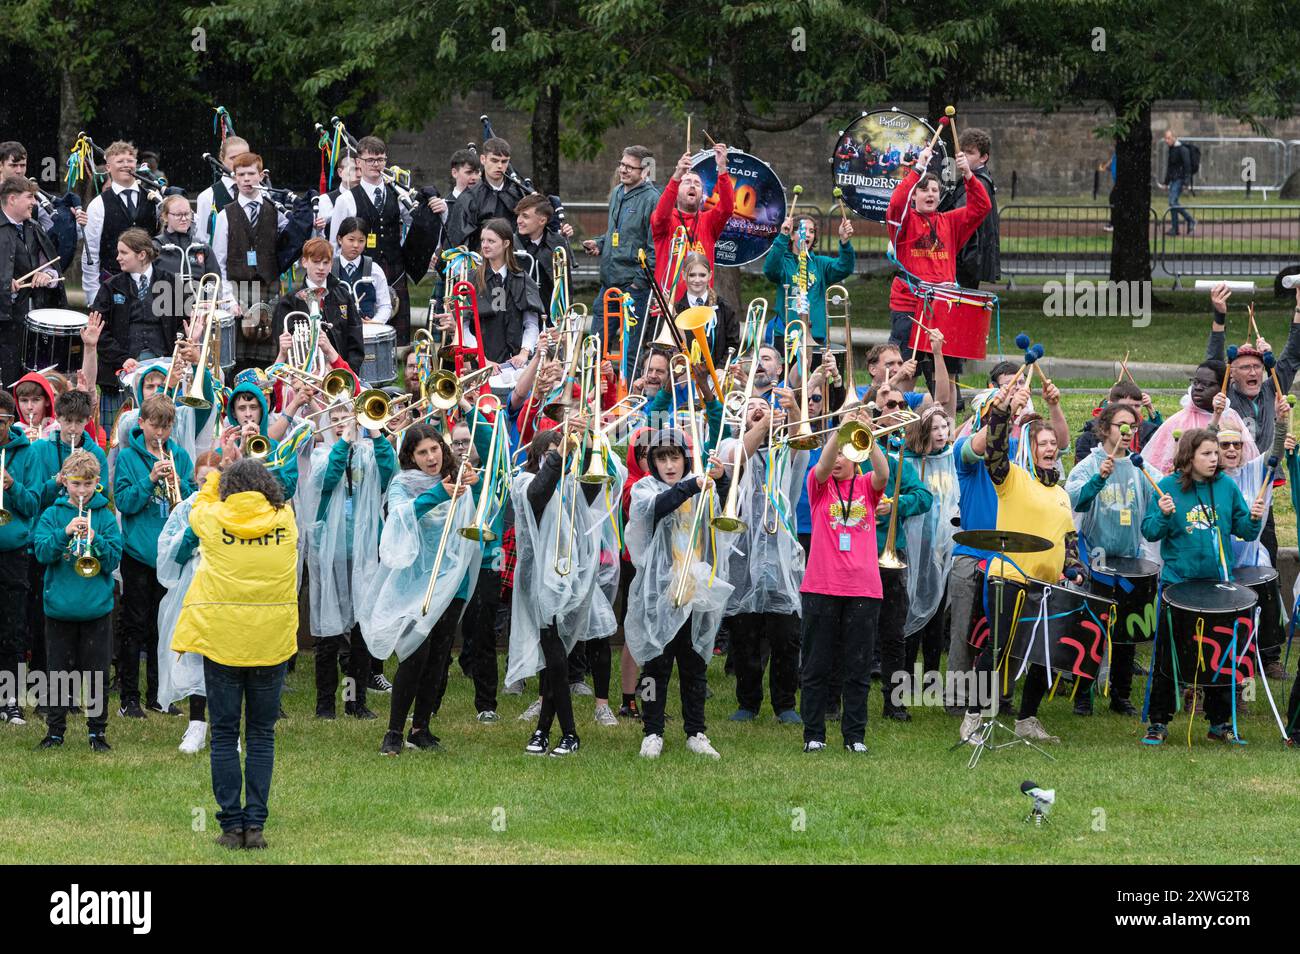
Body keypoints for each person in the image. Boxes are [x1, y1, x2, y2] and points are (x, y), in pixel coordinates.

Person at [171, 458, 299, 849]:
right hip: (271, 643)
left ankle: (231, 826)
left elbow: (196, 509)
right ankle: (255, 826)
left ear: (228, 490)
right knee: (261, 734)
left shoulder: (213, 517)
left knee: (224, 734)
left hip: (223, 642)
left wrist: (213, 478)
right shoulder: (285, 519)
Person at [961, 377, 1081, 746]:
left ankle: (1028, 719)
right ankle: (973, 717)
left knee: (1045, 653)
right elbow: (993, 448)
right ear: (1030, 450)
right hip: (1008, 578)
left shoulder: (1062, 494)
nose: (1048, 448)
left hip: (1048, 586)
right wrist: (1003, 409)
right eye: (1041, 444)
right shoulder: (1012, 478)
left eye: (1052, 444)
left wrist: (1074, 569)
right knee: (998, 648)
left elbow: (1068, 538)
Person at [1141, 429, 1263, 746]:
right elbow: (1150, 530)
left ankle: (1220, 722)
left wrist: (1253, 519)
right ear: (1189, 457)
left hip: (1218, 588)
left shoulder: (1226, 487)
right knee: (1171, 658)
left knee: (1220, 657)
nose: (1214, 458)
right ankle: (1158, 721)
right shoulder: (1167, 487)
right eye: (1207, 453)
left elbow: (1245, 531)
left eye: (1215, 453)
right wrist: (1165, 515)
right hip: (1178, 586)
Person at [364, 423, 480, 755]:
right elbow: (400, 516)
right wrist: (438, 493)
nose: (431, 457)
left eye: (435, 449)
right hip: (415, 582)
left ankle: (421, 728)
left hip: (451, 579)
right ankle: (393, 731)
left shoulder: (457, 476)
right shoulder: (403, 483)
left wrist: (469, 480)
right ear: (411, 457)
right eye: (422, 452)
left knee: (439, 657)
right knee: (415, 654)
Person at [508, 424, 620, 756]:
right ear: (538, 456)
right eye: (553, 451)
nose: (561, 456)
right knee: (555, 657)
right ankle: (566, 733)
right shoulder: (524, 481)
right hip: (539, 584)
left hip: (570, 580)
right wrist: (559, 454)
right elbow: (537, 495)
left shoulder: (568, 485)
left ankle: (545, 730)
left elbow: (592, 492)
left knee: (557, 657)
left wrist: (588, 443)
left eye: (563, 451)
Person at [624, 427, 733, 759]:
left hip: (695, 589)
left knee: (694, 663)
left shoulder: (702, 489)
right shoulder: (646, 489)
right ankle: (652, 731)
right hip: (659, 591)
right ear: (653, 463)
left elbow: (723, 509)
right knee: (655, 665)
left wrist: (721, 478)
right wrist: (691, 484)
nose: (669, 465)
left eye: (675, 457)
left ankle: (696, 732)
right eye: (661, 458)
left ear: (685, 459)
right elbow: (656, 507)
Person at [799, 402, 891, 753]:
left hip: (864, 589)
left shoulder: (867, 485)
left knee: (858, 667)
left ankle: (855, 736)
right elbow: (821, 467)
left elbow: (882, 474)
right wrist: (841, 431)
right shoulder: (819, 486)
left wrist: (869, 435)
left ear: (856, 456)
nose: (837, 460)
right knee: (817, 665)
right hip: (821, 586)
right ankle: (814, 734)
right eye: (835, 452)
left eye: (845, 454)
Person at [1064, 401, 1162, 717]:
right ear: (1105, 428)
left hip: (1131, 564)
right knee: (1091, 631)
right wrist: (1098, 480)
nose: (1128, 431)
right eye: (1122, 424)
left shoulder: (1139, 465)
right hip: (1097, 564)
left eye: (1133, 426)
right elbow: (1073, 500)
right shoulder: (1089, 465)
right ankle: (1083, 695)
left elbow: (1163, 490)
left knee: (1126, 635)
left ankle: (1121, 696)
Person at [720, 390, 807, 725]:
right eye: (751, 408)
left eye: (764, 407)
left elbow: (802, 439)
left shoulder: (787, 451)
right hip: (743, 556)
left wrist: (794, 410)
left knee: (786, 636)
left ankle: (785, 703)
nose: (758, 411)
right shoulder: (728, 445)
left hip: (782, 556)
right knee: (745, 636)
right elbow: (740, 455)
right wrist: (765, 422)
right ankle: (748, 702)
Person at [309, 403, 396, 719]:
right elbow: (329, 479)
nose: (339, 423)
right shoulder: (322, 455)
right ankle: (324, 705)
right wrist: (344, 440)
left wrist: (375, 431)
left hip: (363, 554)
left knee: (359, 633)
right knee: (328, 633)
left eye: (346, 417)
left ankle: (354, 701)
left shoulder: (370, 454)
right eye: (333, 418)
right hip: (329, 553)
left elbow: (390, 473)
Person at [113, 393, 197, 717]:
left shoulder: (180, 456)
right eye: (154, 426)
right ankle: (130, 698)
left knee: (165, 626)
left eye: (166, 426)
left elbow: (191, 502)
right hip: (138, 553)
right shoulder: (128, 458)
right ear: (143, 423)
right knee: (135, 625)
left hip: (170, 553)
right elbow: (124, 502)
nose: (160, 433)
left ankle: (161, 695)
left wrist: (180, 484)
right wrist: (149, 480)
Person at [33, 450, 122, 750]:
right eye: (75, 484)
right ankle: (55, 731)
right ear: (65, 483)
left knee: (97, 674)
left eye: (87, 484)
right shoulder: (52, 514)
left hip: (96, 609)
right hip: (60, 608)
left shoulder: (106, 517)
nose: (81, 491)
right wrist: (64, 532)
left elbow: (112, 560)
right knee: (57, 673)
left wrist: (95, 539)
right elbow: (42, 553)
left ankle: (97, 732)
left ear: (97, 483)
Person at [884, 144, 989, 395]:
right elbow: (896, 204)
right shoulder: (904, 221)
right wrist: (917, 169)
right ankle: (902, 423)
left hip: (944, 306)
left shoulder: (950, 221)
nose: (930, 194)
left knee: (947, 375)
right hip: (909, 304)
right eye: (923, 189)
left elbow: (981, 208)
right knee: (908, 369)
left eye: (934, 190)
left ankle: (948, 426)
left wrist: (969, 176)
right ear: (914, 195)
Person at [156, 452, 222, 754]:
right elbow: (170, 556)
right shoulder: (185, 508)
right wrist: (191, 535)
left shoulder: (232, 508)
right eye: (201, 480)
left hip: (224, 590)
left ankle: (226, 727)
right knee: (194, 655)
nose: (207, 485)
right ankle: (197, 724)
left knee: (223, 657)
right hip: (192, 589)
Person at [901, 404, 959, 694]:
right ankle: (907, 675)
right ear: (923, 430)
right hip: (916, 547)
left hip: (942, 549)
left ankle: (931, 678)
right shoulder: (909, 461)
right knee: (913, 607)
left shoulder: (950, 458)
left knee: (936, 613)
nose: (941, 433)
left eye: (944, 427)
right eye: (934, 427)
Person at [583, 146, 657, 355]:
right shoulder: (617, 192)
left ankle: (631, 387)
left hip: (633, 287)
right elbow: (618, 233)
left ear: (644, 171)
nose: (623, 170)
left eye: (630, 167)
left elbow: (655, 248)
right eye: (622, 164)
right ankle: (596, 387)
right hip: (608, 283)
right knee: (595, 348)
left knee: (630, 353)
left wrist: (638, 283)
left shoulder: (652, 199)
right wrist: (600, 243)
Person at [0, 390, 42, 725]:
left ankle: (9, 700)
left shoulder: (27, 453)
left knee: (13, 628)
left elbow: (31, 505)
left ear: (11, 422)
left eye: (1, 422)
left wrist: (12, 485)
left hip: (13, 551)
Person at [0, 176, 64, 385]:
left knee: (33, 381)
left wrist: (47, 275)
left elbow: (51, 266)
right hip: (4, 325)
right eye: (29, 197)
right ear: (12, 199)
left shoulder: (33, 227)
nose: (34, 203)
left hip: (31, 318)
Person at [650, 142, 733, 301]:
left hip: (699, 307)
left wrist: (722, 169)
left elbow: (727, 208)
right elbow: (661, 215)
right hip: (667, 306)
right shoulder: (666, 219)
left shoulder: (709, 221)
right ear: (676, 189)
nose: (693, 186)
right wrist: (676, 176)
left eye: (697, 184)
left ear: (702, 194)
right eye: (687, 182)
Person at [1142, 361, 1258, 475]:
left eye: (1207, 384)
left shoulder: (1231, 418)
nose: (1198, 388)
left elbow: (1247, 462)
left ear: (1223, 389)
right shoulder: (1178, 421)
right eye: (1195, 382)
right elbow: (1155, 466)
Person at [272, 237, 366, 374]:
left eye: (325, 262)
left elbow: (355, 341)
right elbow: (285, 348)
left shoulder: (343, 295)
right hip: (304, 379)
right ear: (304, 262)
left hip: (340, 375)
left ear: (331, 264)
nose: (321, 268)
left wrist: (347, 373)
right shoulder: (289, 302)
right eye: (316, 262)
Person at [81, 141, 159, 305]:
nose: (126, 165)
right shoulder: (98, 205)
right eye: (120, 161)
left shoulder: (153, 198)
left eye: (130, 161)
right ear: (108, 167)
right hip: (113, 285)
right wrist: (93, 296)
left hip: (150, 285)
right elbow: (91, 254)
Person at [763, 213, 855, 347]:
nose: (807, 234)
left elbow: (844, 268)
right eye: (803, 230)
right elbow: (770, 270)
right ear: (792, 235)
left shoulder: (820, 263)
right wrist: (782, 236)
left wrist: (845, 241)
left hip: (816, 334)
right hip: (786, 334)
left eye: (811, 231)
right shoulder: (783, 262)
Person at [943, 128, 1000, 291]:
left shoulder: (978, 183)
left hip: (965, 261)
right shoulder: (975, 180)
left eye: (970, 153)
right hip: (968, 260)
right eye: (962, 152)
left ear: (983, 158)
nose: (963, 156)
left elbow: (962, 222)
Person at [445, 137, 526, 251]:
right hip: (480, 262)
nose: (500, 166)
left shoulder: (520, 193)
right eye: (494, 160)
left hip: (516, 259)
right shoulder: (468, 198)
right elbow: (455, 241)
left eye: (504, 161)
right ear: (483, 159)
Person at [673, 252, 740, 362]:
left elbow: (733, 345)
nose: (697, 280)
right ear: (684, 275)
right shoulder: (676, 309)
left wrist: (721, 368)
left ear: (710, 275)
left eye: (702, 275)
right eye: (692, 275)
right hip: (686, 375)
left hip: (717, 375)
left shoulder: (724, 308)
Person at [1073, 380, 1162, 460]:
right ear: (1111, 405)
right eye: (1127, 406)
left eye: (1137, 406)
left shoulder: (1149, 431)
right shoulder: (1088, 438)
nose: (1133, 410)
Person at [513, 193, 570, 311]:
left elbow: (565, 285)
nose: (519, 220)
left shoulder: (557, 242)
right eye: (518, 215)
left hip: (549, 312)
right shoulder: (510, 243)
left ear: (542, 220)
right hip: (518, 315)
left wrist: (564, 318)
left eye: (525, 216)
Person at [332, 217, 392, 326]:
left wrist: (374, 322)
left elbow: (385, 305)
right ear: (339, 239)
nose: (356, 245)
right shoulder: (329, 268)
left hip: (367, 332)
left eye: (361, 241)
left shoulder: (374, 269)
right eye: (351, 239)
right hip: (336, 332)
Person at [195, 135, 248, 244]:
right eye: (233, 158)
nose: (239, 162)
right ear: (221, 159)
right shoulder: (207, 197)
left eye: (244, 157)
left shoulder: (262, 193)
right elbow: (203, 240)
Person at [155, 194, 214, 282]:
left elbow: (214, 282)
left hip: (197, 295)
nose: (184, 219)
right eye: (178, 214)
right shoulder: (156, 247)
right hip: (165, 294)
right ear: (165, 216)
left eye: (187, 214)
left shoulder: (203, 248)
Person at [1160, 129, 1196, 237]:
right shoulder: (1172, 149)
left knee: (1172, 202)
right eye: (1165, 138)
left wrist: (1186, 182)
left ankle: (1190, 220)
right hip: (1174, 180)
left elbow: (1187, 166)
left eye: (1169, 138)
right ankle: (1175, 228)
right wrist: (1166, 183)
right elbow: (1170, 167)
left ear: (1174, 137)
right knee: (1173, 203)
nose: (1167, 140)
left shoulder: (1182, 149)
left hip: (1179, 179)